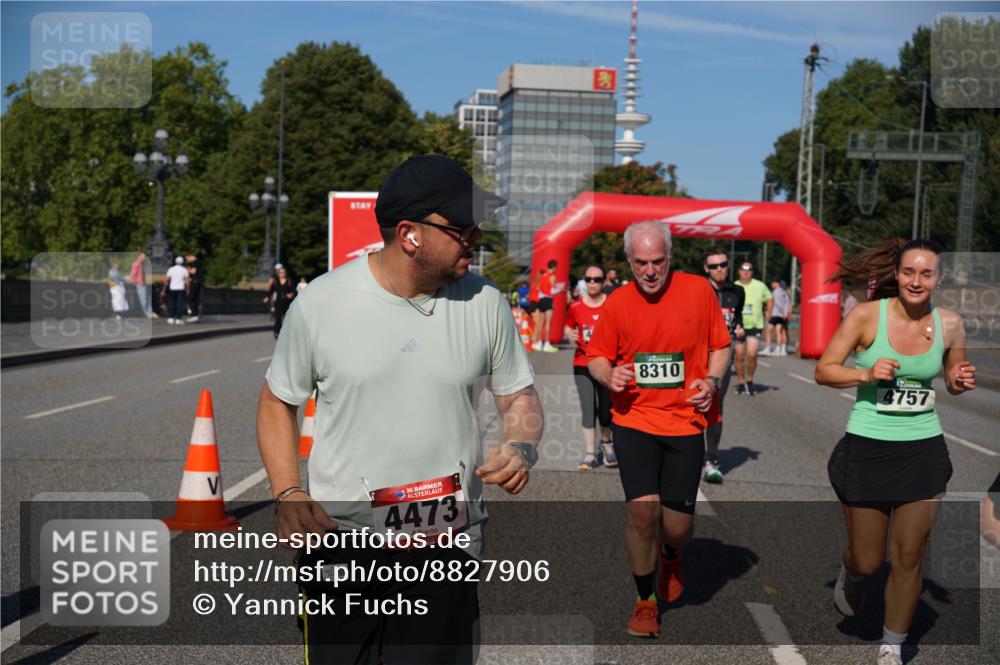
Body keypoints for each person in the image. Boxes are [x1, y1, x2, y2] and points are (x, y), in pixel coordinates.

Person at [256, 154, 542, 665]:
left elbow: (518, 395)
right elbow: (278, 401)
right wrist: (288, 491)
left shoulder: (485, 303)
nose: (476, 238)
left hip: (445, 545)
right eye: (461, 228)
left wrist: (520, 445)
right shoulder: (321, 304)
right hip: (342, 541)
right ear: (410, 234)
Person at [814, 239, 976, 665]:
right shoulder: (867, 316)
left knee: (909, 554)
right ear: (897, 275)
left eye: (926, 273)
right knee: (869, 560)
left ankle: (892, 646)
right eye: (909, 272)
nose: (916, 281)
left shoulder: (950, 323)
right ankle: (852, 571)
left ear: (939, 278)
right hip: (868, 447)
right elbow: (824, 370)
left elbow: (952, 377)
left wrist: (958, 379)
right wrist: (866, 373)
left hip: (923, 450)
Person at [587, 221, 730, 639]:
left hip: (684, 421)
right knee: (641, 512)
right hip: (633, 419)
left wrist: (712, 381)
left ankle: (671, 553)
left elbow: (721, 346)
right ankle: (645, 600)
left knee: (677, 527)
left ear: (670, 257)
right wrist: (608, 374)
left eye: (657, 261)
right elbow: (596, 356)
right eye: (640, 263)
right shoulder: (618, 302)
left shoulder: (698, 290)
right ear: (628, 261)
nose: (650, 271)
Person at [565, 265, 615, 472]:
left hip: (606, 364)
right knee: (588, 409)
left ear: (604, 282)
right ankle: (590, 454)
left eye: (597, 279)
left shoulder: (612, 304)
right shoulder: (576, 307)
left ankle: (607, 442)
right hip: (582, 364)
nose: (592, 283)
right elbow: (568, 325)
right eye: (588, 279)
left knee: (605, 411)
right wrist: (569, 334)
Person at [702, 247, 744, 484]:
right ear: (706, 268)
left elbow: (737, 316)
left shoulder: (737, 291)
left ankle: (711, 458)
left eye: (723, 265)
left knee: (715, 406)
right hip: (697, 356)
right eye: (714, 266)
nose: (719, 269)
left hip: (722, 357)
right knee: (690, 405)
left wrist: (739, 327)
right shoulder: (698, 290)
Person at [733, 261, 771, 395]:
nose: (746, 271)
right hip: (738, 325)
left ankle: (749, 380)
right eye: (743, 269)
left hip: (755, 325)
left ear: (752, 272)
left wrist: (769, 312)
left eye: (749, 269)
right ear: (739, 271)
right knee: (739, 355)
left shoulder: (760, 285)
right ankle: (741, 382)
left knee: (752, 354)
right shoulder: (734, 286)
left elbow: (769, 298)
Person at [534, 259, 559, 352]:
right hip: (548, 299)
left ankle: (539, 343)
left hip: (541, 299)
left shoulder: (542, 275)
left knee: (541, 323)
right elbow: (552, 290)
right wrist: (561, 289)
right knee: (548, 323)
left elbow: (538, 287)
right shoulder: (552, 276)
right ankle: (547, 344)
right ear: (554, 267)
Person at [266, 263, 295, 339]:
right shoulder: (275, 281)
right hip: (278, 303)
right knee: (277, 318)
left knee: (286, 319)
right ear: (278, 274)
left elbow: (294, 290)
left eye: (284, 272)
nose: (282, 274)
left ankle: (285, 333)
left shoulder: (289, 281)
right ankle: (276, 332)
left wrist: (291, 294)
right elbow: (271, 290)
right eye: (281, 272)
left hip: (287, 303)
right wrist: (267, 297)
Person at [763, 279, 791, 356]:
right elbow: (788, 303)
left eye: (773, 283)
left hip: (776, 314)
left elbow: (777, 303)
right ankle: (780, 349)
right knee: (780, 331)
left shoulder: (775, 292)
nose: (772, 284)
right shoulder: (784, 292)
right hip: (783, 315)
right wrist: (786, 313)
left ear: (777, 283)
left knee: (768, 330)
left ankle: (768, 348)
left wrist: (769, 312)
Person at [129, 252, 155, 318]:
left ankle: (150, 312)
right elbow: (133, 274)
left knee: (148, 298)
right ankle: (145, 313)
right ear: (139, 256)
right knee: (143, 299)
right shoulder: (136, 264)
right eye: (143, 256)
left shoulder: (142, 264)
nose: (144, 257)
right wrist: (133, 282)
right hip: (140, 283)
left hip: (145, 283)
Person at [164, 256, 189, 325]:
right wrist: (188, 289)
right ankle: (178, 318)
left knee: (172, 303)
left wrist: (165, 287)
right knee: (179, 303)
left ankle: (171, 317)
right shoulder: (184, 269)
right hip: (181, 288)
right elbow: (186, 281)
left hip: (172, 288)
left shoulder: (171, 269)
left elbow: (167, 279)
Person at [185, 254, 203, 322]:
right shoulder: (199, 262)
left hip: (195, 282)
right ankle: (196, 315)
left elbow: (193, 271)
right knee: (195, 298)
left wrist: (187, 269)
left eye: (187, 258)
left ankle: (194, 315)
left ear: (190, 256)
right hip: (198, 282)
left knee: (191, 298)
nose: (187, 260)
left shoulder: (195, 263)